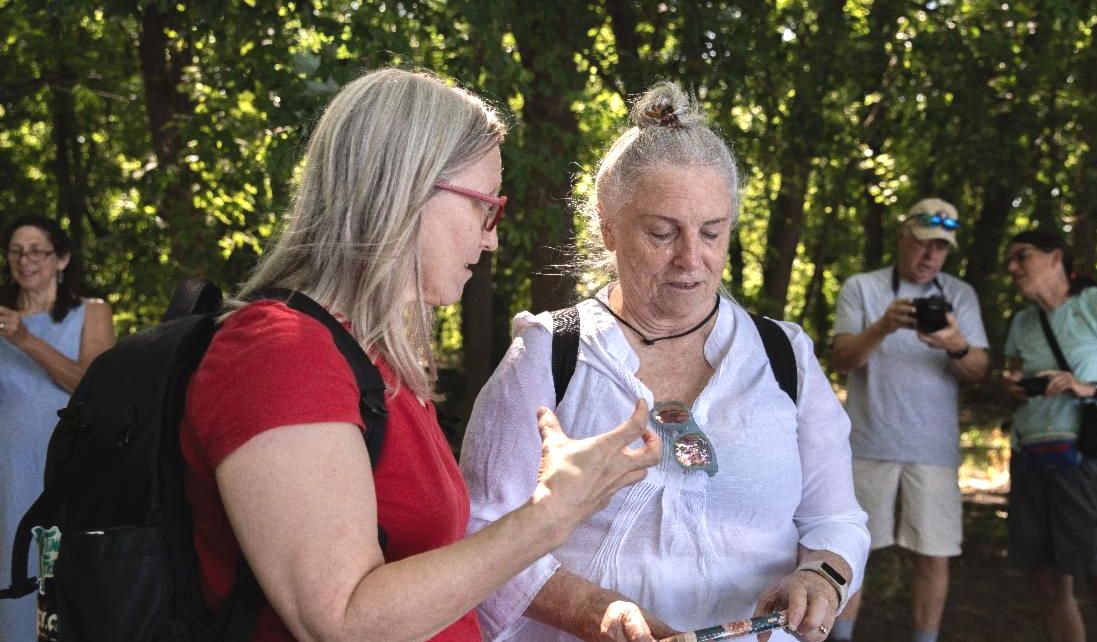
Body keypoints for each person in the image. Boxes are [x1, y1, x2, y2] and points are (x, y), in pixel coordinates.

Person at [179, 68, 662, 642]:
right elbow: (341, 622)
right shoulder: (278, 353)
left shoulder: (371, 358)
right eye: (487, 207)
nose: (492, 238)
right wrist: (548, 518)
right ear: (407, 189)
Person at [461, 82, 870, 642]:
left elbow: (836, 519)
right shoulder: (549, 354)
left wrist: (821, 576)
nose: (691, 259)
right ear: (609, 226)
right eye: (662, 233)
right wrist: (595, 613)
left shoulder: (782, 356)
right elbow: (480, 529)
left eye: (712, 232)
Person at [830, 198, 989, 642]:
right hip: (868, 442)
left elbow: (978, 371)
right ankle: (841, 635)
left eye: (941, 248)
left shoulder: (960, 295)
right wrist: (881, 326)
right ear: (903, 237)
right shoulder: (863, 288)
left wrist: (955, 344)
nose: (930, 256)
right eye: (922, 244)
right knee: (852, 550)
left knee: (933, 555)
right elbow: (842, 360)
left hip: (933, 449)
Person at [1001, 229, 1097, 641]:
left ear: (1054, 257)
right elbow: (1015, 382)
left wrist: (1087, 388)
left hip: (1091, 461)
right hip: (1031, 460)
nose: (1012, 268)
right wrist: (1014, 387)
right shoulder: (1023, 322)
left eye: (1021, 257)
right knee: (1047, 586)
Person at [0, 215, 116, 640]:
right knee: (12, 581)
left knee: (68, 588)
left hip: (67, 475)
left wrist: (26, 340)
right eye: (15, 251)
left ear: (62, 258)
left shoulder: (93, 312)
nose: (24, 260)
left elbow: (92, 385)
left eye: (36, 250)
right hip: (7, 477)